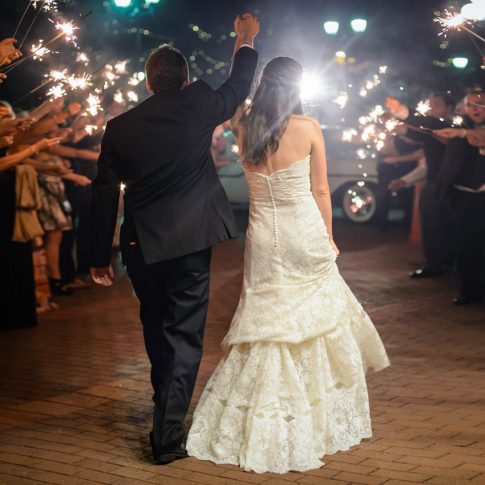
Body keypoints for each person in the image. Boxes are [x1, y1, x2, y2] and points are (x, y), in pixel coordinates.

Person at [186, 57, 390, 474]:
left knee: (265, 317)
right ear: (297, 87)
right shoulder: (308, 126)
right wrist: (330, 237)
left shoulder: (242, 122)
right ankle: (310, 411)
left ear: (262, 85)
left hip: (262, 236)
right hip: (303, 232)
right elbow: (320, 189)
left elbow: (231, 97)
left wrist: (243, 44)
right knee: (314, 321)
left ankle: (265, 409)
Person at [89, 14, 260, 465]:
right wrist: (244, 37)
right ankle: (166, 437)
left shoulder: (120, 127)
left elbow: (104, 192)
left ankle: (164, 400)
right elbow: (239, 84)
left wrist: (95, 257)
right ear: (185, 79)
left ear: (148, 84)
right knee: (183, 336)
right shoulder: (198, 102)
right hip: (189, 241)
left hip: (141, 246)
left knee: (156, 326)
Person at [386, 94, 455, 278]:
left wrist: (402, 112)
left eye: (437, 104)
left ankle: (447, 262)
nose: (432, 108)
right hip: (433, 183)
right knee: (431, 225)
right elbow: (417, 133)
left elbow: (423, 129)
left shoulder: (454, 128)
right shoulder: (431, 130)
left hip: (453, 186)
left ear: (449, 108)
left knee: (449, 225)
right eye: (430, 104)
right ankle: (435, 262)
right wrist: (397, 127)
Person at [436, 90, 485, 305]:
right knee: (466, 246)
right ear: (465, 108)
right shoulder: (456, 126)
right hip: (462, 197)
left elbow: (479, 137)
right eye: (472, 105)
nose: (476, 109)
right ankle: (469, 290)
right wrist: (402, 114)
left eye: (481, 104)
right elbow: (428, 125)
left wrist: (464, 135)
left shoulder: (462, 132)